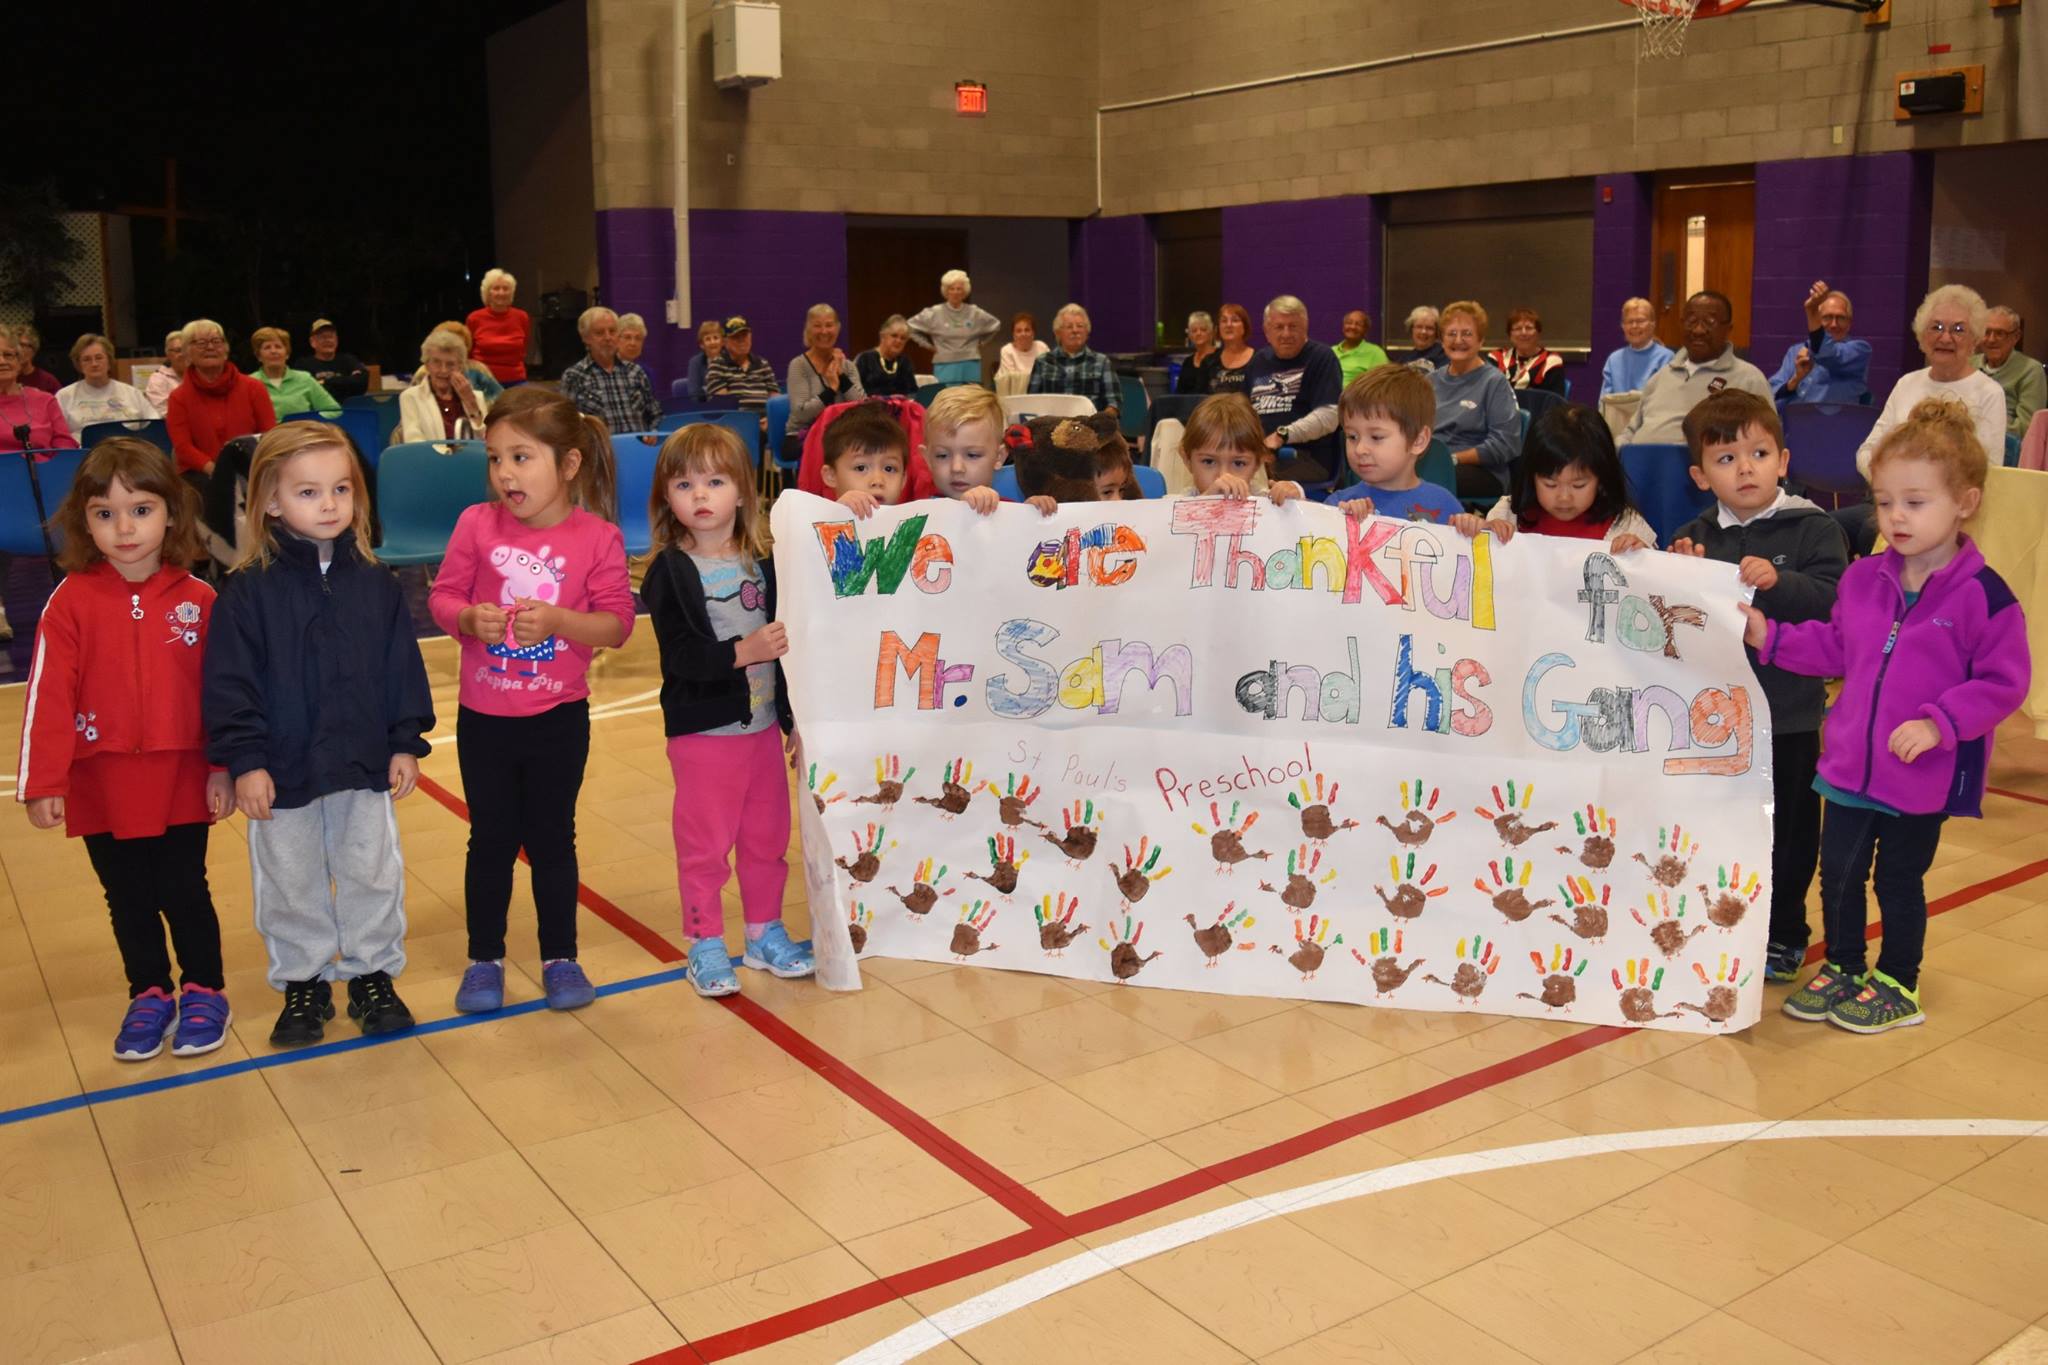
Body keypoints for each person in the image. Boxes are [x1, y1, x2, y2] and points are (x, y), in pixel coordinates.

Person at [1749, 398, 2030, 1033]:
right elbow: (1835, 647)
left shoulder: (1986, 597)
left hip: (1922, 774)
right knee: (1839, 874)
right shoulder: (1863, 579)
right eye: (1884, 502)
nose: (1896, 516)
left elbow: (2004, 683)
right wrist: (1770, 636)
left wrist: (1940, 723)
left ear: (1965, 502)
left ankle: (1899, 981)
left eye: (1915, 502)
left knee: (1899, 881)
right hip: (1850, 763)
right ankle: (1844, 966)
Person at [204, 422, 434, 1046]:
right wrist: (246, 761)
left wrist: (404, 741)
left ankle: (371, 974)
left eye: (341, 488)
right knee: (291, 879)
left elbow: (400, 668)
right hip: (283, 770)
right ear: (272, 502)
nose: (329, 504)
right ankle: (302, 981)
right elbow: (230, 685)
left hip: (362, 763)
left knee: (371, 872)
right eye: (308, 492)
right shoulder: (246, 591)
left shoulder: (376, 583)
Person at [17, 439, 232, 1060]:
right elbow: (47, 696)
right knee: (127, 895)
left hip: (181, 775)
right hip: (101, 780)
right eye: (105, 514)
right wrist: (43, 781)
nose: (125, 528)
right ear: (83, 522)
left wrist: (223, 766)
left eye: (140, 510)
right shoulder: (69, 602)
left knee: (184, 888)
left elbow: (225, 694)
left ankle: (204, 989)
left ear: (171, 512)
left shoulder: (200, 599)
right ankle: (149, 992)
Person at [428, 387, 633, 1014]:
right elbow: (442, 597)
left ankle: (560, 956)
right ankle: (483, 959)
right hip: (484, 720)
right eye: (495, 459)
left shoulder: (598, 537)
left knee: (552, 839)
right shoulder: (475, 523)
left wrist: (561, 622)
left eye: (521, 457)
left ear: (568, 464)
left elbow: (617, 625)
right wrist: (469, 619)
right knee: (489, 839)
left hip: (558, 720)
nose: (504, 474)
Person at [1666, 391, 1847, 984]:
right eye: (1726, 459)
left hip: (1789, 718)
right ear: (1700, 476)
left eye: (1759, 454)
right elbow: (1675, 622)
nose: (1745, 468)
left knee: (1789, 833)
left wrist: (1780, 582)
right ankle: (1722, 925)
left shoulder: (1814, 528)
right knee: (1717, 828)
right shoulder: (1693, 534)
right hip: (1716, 723)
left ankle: (1785, 932)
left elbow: (1835, 602)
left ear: (1783, 461)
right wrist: (1678, 573)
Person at [641, 423, 810, 997]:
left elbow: (792, 652)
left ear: (742, 491)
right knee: (706, 848)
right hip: (704, 738)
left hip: (761, 734)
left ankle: (764, 932)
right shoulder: (671, 571)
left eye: (715, 482)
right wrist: (744, 650)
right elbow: (681, 656)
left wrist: (793, 721)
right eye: (684, 484)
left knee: (767, 839)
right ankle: (705, 941)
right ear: (667, 496)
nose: (700, 495)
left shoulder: (764, 561)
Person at [1453, 402, 1657, 550]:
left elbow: (1653, 581)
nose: (1564, 497)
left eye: (1578, 485)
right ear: (1532, 478)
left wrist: (1641, 556)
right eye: (1550, 484)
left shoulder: (1626, 525)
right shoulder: (1509, 515)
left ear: (1602, 479)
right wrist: (1480, 533)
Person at [1854, 285, 2005, 480]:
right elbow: (1867, 450)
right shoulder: (1906, 384)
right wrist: (1889, 479)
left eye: (1958, 329)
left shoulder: (1989, 392)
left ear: (1974, 340)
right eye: (1936, 327)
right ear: (1922, 336)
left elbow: (1989, 469)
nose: (1945, 338)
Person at [0, 333, 78, 642]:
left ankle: (75, 603)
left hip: (44, 489)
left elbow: (65, 443)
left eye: (8, 355)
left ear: (21, 360)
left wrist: (47, 469)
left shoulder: (44, 400)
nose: (2, 361)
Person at [1620, 291, 1772, 446]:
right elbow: (1630, 431)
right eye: (1691, 321)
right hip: (1637, 459)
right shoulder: (1660, 377)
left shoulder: (1749, 379)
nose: (1698, 330)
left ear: (1728, 329)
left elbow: (1767, 441)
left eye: (1710, 322)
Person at [1326, 365, 1463, 523]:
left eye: (1376, 437)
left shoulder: (1445, 505)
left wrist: (1472, 530)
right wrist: (1341, 523)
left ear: (1418, 441)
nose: (1360, 449)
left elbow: (1470, 539)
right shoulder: (1339, 505)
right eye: (1352, 436)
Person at [1429, 301, 1521, 499]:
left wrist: (1453, 459)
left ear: (1481, 341)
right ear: (1442, 340)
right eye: (1451, 333)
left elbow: (1506, 443)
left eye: (1467, 333)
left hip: (1482, 471)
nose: (1458, 340)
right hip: (1432, 462)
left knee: (1428, 480)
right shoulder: (1430, 381)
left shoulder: (1494, 382)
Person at [165, 318, 276, 484]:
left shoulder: (254, 387)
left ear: (226, 349)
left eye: (216, 341)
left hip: (252, 471)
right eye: (201, 343)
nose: (210, 347)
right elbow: (183, 448)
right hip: (201, 475)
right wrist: (217, 471)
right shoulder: (178, 397)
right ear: (187, 352)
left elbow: (269, 435)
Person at [1247, 295, 1344, 484]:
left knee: (1251, 480)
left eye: (1293, 326)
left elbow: (1330, 416)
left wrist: (1282, 436)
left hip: (1305, 458)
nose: (1286, 334)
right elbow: (1244, 412)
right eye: (1279, 327)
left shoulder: (1322, 357)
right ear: (1266, 331)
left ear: (1305, 327)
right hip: (1259, 455)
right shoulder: (1258, 361)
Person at [1181, 393, 1305, 504]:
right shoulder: (1179, 506)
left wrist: (1293, 498)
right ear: (1187, 460)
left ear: (1258, 462)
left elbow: (1304, 518)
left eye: (1238, 463)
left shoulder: (1267, 501)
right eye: (1208, 461)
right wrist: (1205, 502)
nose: (1224, 477)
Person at [561, 306, 661, 435]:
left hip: (638, 444)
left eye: (612, 331)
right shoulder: (574, 376)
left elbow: (655, 414)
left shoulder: (636, 372)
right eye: (599, 333)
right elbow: (567, 424)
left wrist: (652, 433)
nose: (608, 337)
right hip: (601, 446)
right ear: (586, 338)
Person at [1767, 282, 1870, 405]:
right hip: (1791, 416)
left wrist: (1811, 311)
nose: (1834, 324)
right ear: (1817, 320)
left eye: (1841, 318)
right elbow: (1770, 393)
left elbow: (1827, 354)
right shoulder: (1795, 351)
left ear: (1849, 324)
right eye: (1827, 317)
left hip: (1834, 417)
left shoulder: (1860, 351)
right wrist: (1795, 380)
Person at [785, 303, 865, 460]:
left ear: (838, 328)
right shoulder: (798, 365)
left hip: (842, 434)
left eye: (829, 325)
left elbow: (862, 406)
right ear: (808, 329)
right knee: (836, 451)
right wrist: (831, 390)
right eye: (817, 326)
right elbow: (801, 414)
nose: (824, 331)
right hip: (803, 435)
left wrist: (841, 377)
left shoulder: (848, 366)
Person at [920, 385, 1009, 513]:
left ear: (999, 457)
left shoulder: (1011, 511)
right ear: (927, 458)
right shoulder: (919, 514)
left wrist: (1034, 512)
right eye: (942, 455)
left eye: (972, 455)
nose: (957, 468)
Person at [907, 269, 1000, 385]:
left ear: (964, 291)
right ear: (946, 291)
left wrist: (982, 343)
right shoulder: (934, 313)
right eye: (952, 288)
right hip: (944, 364)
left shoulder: (975, 312)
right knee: (947, 395)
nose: (955, 292)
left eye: (959, 289)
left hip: (970, 364)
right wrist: (927, 345)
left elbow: (995, 325)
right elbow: (908, 327)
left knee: (970, 395)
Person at [818, 403, 912, 516]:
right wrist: (838, 515)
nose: (877, 481)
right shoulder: (814, 520)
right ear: (831, 476)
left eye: (889, 468)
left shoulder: (914, 521)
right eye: (861, 468)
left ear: (903, 479)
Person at [57, 334, 155, 439]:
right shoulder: (64, 396)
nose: (94, 364)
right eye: (86, 359)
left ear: (109, 360)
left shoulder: (132, 393)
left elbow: (154, 425)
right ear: (79, 365)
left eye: (99, 358)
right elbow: (59, 436)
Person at [398, 329, 490, 442]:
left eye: (450, 364)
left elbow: (486, 441)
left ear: (460, 367)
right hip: (428, 454)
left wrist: (471, 404)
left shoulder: (477, 397)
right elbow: (413, 442)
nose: (443, 370)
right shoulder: (410, 397)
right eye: (436, 362)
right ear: (427, 365)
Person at [1028, 304, 1119, 413]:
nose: (1075, 330)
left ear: (1087, 332)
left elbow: (1114, 403)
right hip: (1051, 422)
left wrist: (1101, 419)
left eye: (1080, 326)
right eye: (1069, 327)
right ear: (1058, 333)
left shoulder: (1102, 362)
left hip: (1090, 422)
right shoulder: (1042, 362)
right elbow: (1031, 403)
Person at [1975, 306, 2045, 441]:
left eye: (2000, 333)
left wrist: (1977, 423)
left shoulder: (2031, 370)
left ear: (2016, 337)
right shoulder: (1969, 364)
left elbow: (2028, 429)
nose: (1991, 339)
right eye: (1986, 332)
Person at [249, 327, 342, 420]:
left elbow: (334, 410)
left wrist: (312, 422)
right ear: (258, 356)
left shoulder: (305, 379)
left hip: (303, 429)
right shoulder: (249, 383)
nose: (273, 351)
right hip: (268, 430)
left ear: (287, 354)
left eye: (278, 346)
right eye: (267, 347)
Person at [467, 268, 533, 385]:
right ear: (488, 292)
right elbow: (468, 352)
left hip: (516, 379)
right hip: (483, 379)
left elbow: (524, 348)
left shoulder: (522, 317)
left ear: (511, 293)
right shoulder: (474, 318)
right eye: (496, 288)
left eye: (505, 289)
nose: (501, 293)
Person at [1598, 297, 1673, 398]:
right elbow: (1604, 402)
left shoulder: (1666, 358)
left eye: (1640, 321)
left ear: (1652, 324)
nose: (1634, 326)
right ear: (1623, 326)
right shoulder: (1613, 360)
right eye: (1629, 321)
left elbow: (1666, 399)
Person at [703, 315, 780, 412]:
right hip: (737, 419)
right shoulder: (717, 366)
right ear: (724, 342)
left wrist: (770, 418)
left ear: (750, 336)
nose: (741, 340)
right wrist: (752, 419)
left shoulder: (763, 364)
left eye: (745, 335)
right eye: (735, 337)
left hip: (766, 419)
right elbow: (723, 409)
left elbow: (775, 400)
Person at [1489, 307, 1567, 395]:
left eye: (1529, 328)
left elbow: (1554, 400)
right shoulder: (1497, 358)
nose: (1524, 333)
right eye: (1518, 328)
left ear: (1538, 333)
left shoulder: (1551, 361)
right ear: (1510, 334)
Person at [424, 321, 504, 400]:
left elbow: (500, 395)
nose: (443, 370)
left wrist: (480, 403)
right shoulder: (424, 371)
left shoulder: (478, 368)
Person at [299, 319, 370, 401]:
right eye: (323, 337)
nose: (328, 340)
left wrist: (325, 382)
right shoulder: (303, 365)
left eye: (331, 336)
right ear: (312, 342)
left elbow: (361, 383)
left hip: (348, 407)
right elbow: (308, 392)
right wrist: (346, 382)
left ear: (336, 340)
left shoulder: (349, 360)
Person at [856, 315, 920, 399]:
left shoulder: (905, 362)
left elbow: (913, 392)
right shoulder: (865, 359)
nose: (898, 341)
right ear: (882, 336)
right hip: (872, 406)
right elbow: (856, 392)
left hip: (901, 406)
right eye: (894, 335)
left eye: (903, 338)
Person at [1333, 310, 1390, 387]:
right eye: (1349, 323)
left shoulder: (1375, 353)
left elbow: (1383, 384)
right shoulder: (1331, 351)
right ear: (1343, 327)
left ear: (1365, 330)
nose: (1353, 327)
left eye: (1358, 324)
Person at [1211, 303, 1257, 393]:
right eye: (1224, 321)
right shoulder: (1209, 362)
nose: (1228, 325)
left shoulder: (1258, 360)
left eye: (1235, 320)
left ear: (1245, 327)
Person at [1174, 311, 1221, 394]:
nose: (1198, 333)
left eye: (1203, 330)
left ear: (1212, 332)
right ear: (1190, 335)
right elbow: (1179, 394)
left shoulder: (1220, 358)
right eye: (1194, 330)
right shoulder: (1187, 362)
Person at [144, 329, 189, 415]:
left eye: (185, 350)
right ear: (168, 354)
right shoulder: (158, 379)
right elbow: (164, 412)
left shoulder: (200, 375)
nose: (182, 354)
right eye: (178, 350)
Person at [997, 312, 1050, 383]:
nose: (1023, 334)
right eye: (1019, 331)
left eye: (1027, 330)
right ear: (1014, 335)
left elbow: (1049, 373)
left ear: (1033, 333)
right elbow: (1012, 381)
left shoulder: (1042, 347)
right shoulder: (1007, 350)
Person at [13, 324, 61, 394]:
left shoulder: (48, 381)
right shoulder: (5, 378)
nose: (18, 350)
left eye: (23, 345)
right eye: (15, 345)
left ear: (34, 350)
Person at [686, 318, 724, 403]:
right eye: (708, 339)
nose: (712, 342)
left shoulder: (731, 360)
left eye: (716, 338)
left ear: (722, 342)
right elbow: (694, 395)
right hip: (705, 407)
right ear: (702, 345)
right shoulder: (695, 362)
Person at [1401, 306, 1448, 371]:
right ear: (1411, 329)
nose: (1423, 332)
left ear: (1437, 332)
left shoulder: (1445, 355)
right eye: (1419, 327)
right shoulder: (1404, 359)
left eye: (1429, 328)